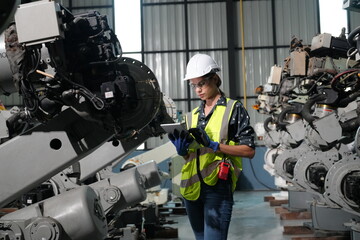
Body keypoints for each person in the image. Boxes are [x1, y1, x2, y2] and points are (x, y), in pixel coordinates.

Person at [168, 53, 255, 240]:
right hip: (191, 189)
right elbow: (191, 155)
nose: (198, 90)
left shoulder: (234, 109)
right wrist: (183, 151)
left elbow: (249, 151)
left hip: (217, 187)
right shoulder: (191, 116)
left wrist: (215, 146)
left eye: (201, 84)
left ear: (214, 79)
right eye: (194, 85)